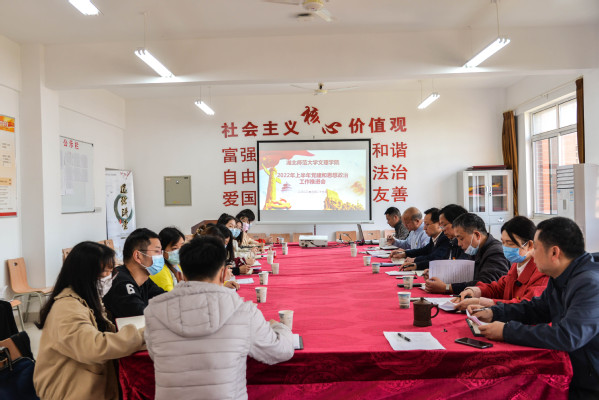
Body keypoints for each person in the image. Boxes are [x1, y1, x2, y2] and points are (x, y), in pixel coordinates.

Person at [144, 236, 294, 399]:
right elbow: (281, 351)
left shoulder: (154, 311)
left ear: (181, 276)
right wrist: (280, 327)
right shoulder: (243, 311)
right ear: (223, 275)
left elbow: (154, 353)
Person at [471, 217, 599, 399]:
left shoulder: (589, 283)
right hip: (572, 369)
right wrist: (494, 313)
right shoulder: (561, 275)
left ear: (554, 252)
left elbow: (568, 336)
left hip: (590, 382)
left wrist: (506, 331)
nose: (532, 253)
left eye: (536, 248)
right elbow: (538, 308)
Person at [34, 242, 145, 400]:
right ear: (84, 274)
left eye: (111, 271)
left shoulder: (86, 300)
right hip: (70, 391)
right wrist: (143, 334)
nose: (109, 277)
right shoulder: (67, 308)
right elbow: (95, 347)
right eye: (104, 272)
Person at [452, 216, 549, 310]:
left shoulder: (541, 272)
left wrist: (483, 303)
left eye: (510, 243)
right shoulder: (517, 265)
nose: (505, 248)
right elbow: (499, 288)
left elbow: (525, 306)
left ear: (530, 245)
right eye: (503, 242)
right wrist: (475, 291)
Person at [424, 213, 509, 294]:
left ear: (477, 235)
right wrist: (437, 274)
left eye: (461, 238)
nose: (459, 244)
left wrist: (447, 287)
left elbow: (486, 283)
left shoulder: (496, 252)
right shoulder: (475, 249)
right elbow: (464, 275)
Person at [102, 228, 166, 319]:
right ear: (138, 256)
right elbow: (141, 316)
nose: (161, 256)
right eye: (157, 251)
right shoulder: (121, 283)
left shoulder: (143, 280)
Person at [149, 227, 185, 291]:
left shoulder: (177, 266)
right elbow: (169, 295)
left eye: (182, 246)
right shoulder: (159, 270)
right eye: (174, 248)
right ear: (162, 249)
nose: (180, 251)